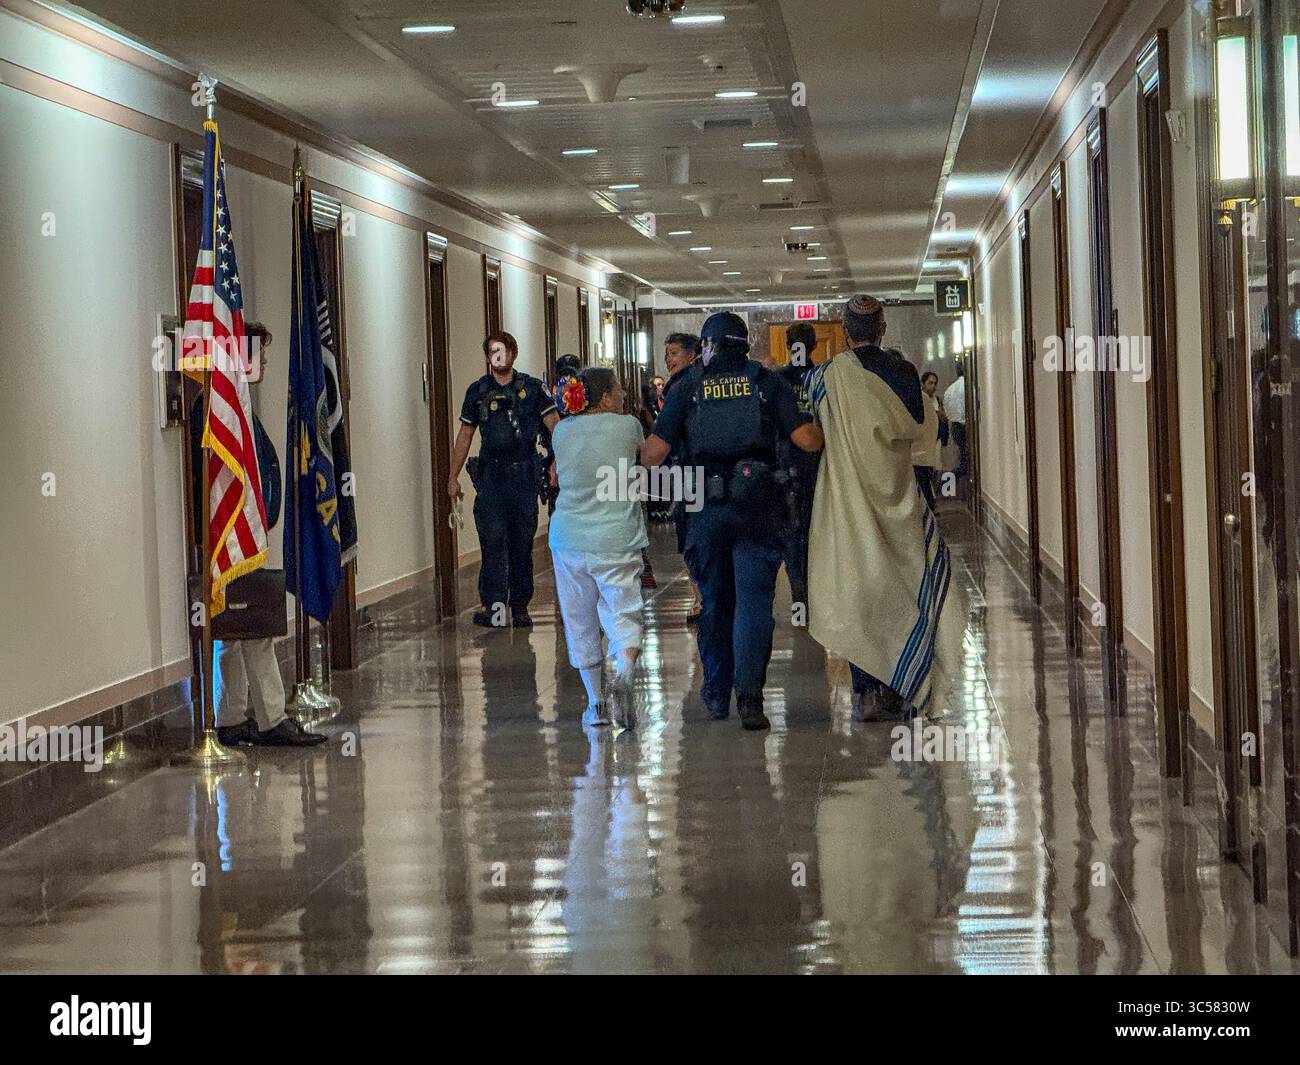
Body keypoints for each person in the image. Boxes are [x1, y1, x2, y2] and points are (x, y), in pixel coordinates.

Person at [642, 312, 823, 731]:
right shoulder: (765, 382)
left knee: (715, 601)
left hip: (704, 510)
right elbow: (806, 440)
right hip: (758, 505)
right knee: (755, 602)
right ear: (744, 344)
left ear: (707, 347)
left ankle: (716, 695)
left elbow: (653, 454)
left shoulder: (686, 386)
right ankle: (751, 699)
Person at [806, 295, 966, 722]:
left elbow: (813, 433)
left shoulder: (825, 376)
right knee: (906, 583)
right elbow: (920, 426)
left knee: (860, 587)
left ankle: (866, 689)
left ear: (844, 329)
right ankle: (903, 684)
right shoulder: (904, 372)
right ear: (883, 328)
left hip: (848, 497)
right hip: (900, 492)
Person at [188, 334, 326, 747]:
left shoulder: (239, 406)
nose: (264, 360)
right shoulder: (217, 409)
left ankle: (231, 717)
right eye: (258, 353)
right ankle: (270, 719)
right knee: (253, 630)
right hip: (228, 537)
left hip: (239, 535)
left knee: (234, 632)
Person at [549, 367, 647, 729]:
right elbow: (645, 458)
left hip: (569, 539)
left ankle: (596, 704)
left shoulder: (561, 431)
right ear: (604, 396)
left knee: (580, 620)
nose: (623, 396)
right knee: (623, 611)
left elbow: (558, 474)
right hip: (616, 538)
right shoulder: (628, 426)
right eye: (618, 389)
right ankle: (624, 674)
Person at [449, 331, 558, 628]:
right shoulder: (478, 391)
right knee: (493, 541)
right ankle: (495, 608)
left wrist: (556, 462)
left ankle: (520, 607)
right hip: (492, 477)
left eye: (504, 350)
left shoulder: (533, 389)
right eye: (493, 351)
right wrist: (453, 477)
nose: (499, 356)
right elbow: (465, 436)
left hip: (524, 474)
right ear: (488, 357)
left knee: (522, 542)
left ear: (513, 354)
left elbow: (555, 427)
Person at [777, 322, 821, 606]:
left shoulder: (777, 380)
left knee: (792, 530)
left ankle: (799, 592)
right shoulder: (821, 377)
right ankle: (814, 588)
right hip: (819, 463)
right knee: (816, 527)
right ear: (814, 345)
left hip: (786, 462)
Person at [662, 332, 704, 622]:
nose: (669, 360)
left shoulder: (680, 386)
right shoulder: (704, 379)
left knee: (691, 540)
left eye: (674, 353)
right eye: (667, 354)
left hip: (689, 471)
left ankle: (700, 600)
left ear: (692, 354)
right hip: (696, 472)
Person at [913, 370, 945, 510]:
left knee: (936, 469)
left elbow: (943, 418)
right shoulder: (920, 400)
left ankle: (933, 497)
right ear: (923, 384)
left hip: (935, 440)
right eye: (930, 383)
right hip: (922, 444)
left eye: (935, 383)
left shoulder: (937, 400)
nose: (933, 386)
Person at [943, 362, 968, 481]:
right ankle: (945, 481)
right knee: (966, 463)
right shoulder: (968, 387)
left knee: (963, 458)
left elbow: (947, 410)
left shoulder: (950, 389)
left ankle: (947, 482)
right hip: (966, 427)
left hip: (955, 427)